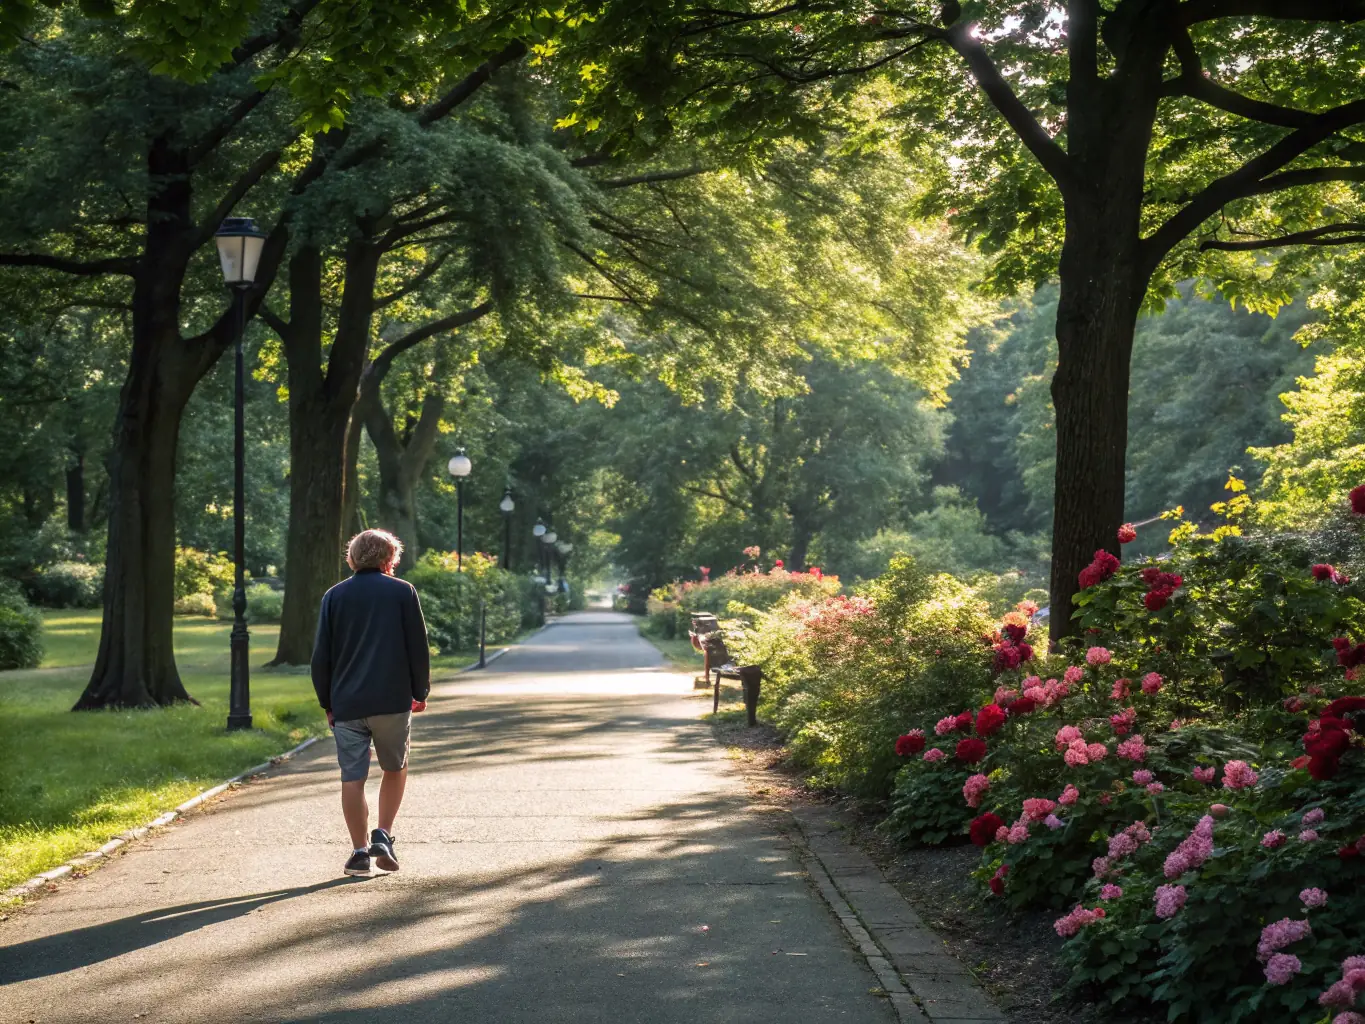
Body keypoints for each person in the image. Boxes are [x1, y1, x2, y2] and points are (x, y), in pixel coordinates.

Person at [311, 528, 431, 876]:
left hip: (347, 702)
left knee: (353, 776)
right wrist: (419, 692)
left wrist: (327, 702)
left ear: (352, 558)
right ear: (389, 559)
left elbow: (322, 657)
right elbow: (417, 647)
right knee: (394, 767)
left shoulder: (334, 597)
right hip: (391, 700)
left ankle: (359, 852)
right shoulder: (402, 592)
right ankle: (383, 834)